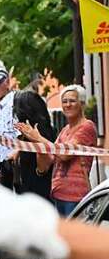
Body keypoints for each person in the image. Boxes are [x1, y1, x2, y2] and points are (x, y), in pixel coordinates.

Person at [20, 85, 98, 216]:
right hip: (58, 194)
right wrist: (36, 142)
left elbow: (65, 154)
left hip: (75, 197)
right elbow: (47, 162)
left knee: (73, 236)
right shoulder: (65, 130)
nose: (68, 105)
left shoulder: (87, 126)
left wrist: (39, 138)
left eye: (72, 101)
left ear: (82, 104)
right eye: (64, 101)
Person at [10, 90, 56, 200]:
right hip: (25, 194)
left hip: (38, 196)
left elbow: (43, 167)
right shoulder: (25, 135)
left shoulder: (39, 133)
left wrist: (36, 141)